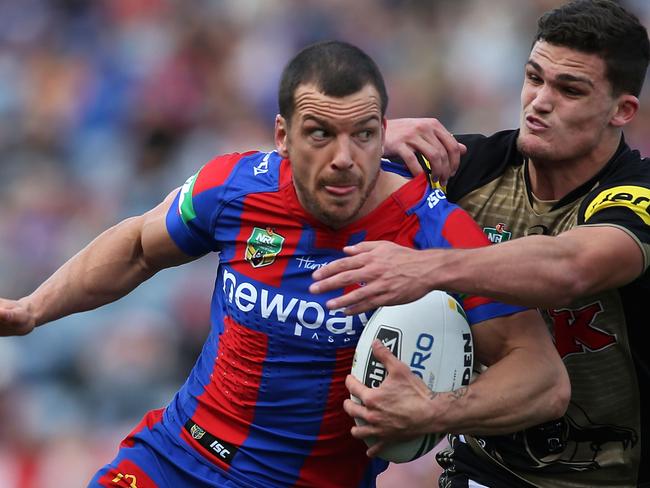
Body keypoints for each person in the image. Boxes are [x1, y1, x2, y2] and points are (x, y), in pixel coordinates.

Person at [0, 41, 568, 488]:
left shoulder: (436, 232)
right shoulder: (236, 184)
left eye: (364, 135)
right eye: (320, 134)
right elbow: (139, 246)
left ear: (382, 135)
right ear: (283, 137)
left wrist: (438, 410)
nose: (344, 159)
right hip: (177, 458)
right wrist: (32, 309)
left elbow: (543, 378)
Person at [311, 1, 650, 487]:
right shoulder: (466, 166)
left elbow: (569, 269)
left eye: (569, 89)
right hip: (481, 468)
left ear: (623, 110)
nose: (540, 101)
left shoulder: (636, 197)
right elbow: (283, 181)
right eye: (534, 77)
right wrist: (365, 137)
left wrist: (427, 268)